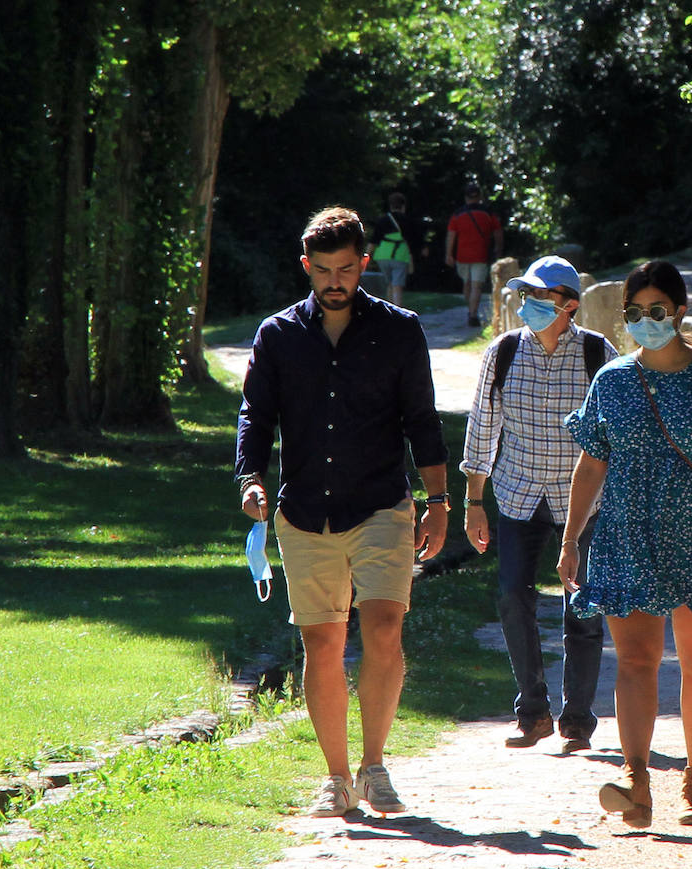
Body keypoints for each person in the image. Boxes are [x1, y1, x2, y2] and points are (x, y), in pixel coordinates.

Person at [235, 206, 449, 818]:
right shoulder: (278, 335)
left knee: (383, 628)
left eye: (347, 269)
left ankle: (374, 765)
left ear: (364, 265)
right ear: (306, 267)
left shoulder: (399, 330)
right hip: (304, 510)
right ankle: (335, 778)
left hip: (381, 501)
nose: (336, 281)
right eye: (324, 270)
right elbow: (255, 414)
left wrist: (438, 503)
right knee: (323, 643)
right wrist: (250, 479)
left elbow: (422, 421)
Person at [557, 260, 692, 828]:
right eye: (635, 313)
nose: (646, 321)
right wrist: (571, 536)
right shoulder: (612, 380)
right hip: (628, 534)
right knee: (634, 662)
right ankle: (637, 781)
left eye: (657, 310)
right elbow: (591, 460)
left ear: (680, 311)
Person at [462, 255, 618, 753]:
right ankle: (532, 711)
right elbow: (482, 426)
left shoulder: (599, 354)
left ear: (569, 306)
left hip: (585, 504)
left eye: (541, 298)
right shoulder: (503, 352)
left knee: (584, 608)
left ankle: (578, 720)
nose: (528, 305)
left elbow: (617, 433)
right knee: (512, 596)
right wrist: (473, 500)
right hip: (517, 493)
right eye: (525, 295)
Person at [445, 182, 504, 328]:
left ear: (465, 197)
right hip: (481, 255)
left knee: (467, 283)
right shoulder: (489, 213)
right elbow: (498, 233)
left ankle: (471, 312)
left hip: (462, 256)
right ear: (480, 197)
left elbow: (451, 235)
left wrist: (448, 254)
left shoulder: (457, 215)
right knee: (476, 287)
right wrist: (498, 249)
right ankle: (473, 313)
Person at [367, 191, 420, 308]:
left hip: (382, 256)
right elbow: (413, 242)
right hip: (401, 256)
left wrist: (366, 256)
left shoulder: (383, 220)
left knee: (389, 284)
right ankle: (397, 311)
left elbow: (373, 241)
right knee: (397, 285)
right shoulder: (408, 221)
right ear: (403, 206)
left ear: (390, 205)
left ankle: (389, 310)